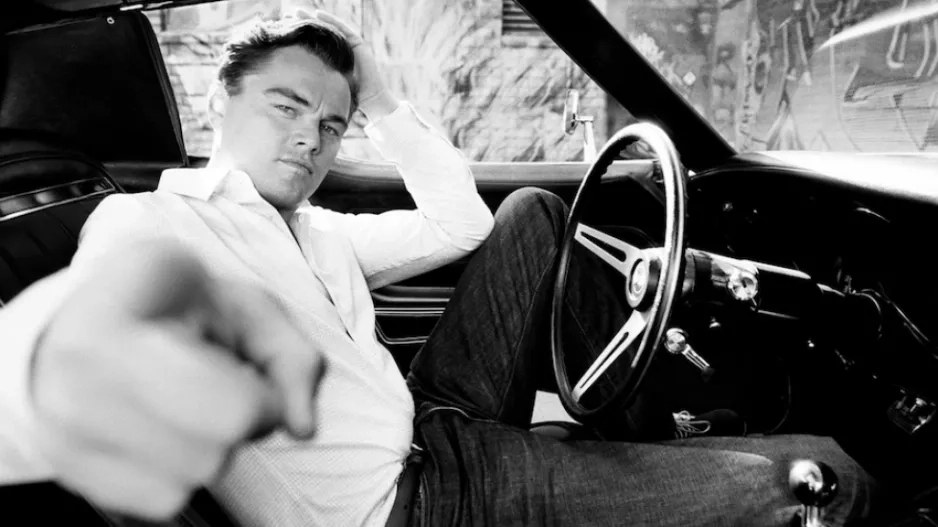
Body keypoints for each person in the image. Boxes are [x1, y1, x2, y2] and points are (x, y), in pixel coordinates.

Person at [0, 11, 885, 527]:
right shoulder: (152, 223)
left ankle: (669, 434)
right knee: (824, 479)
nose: (311, 138)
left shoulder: (315, 229)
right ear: (218, 101)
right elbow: (80, 347)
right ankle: (689, 451)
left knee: (530, 217)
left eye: (332, 123)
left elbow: (460, 223)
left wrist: (381, 98)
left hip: (430, 419)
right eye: (286, 106)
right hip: (422, 501)